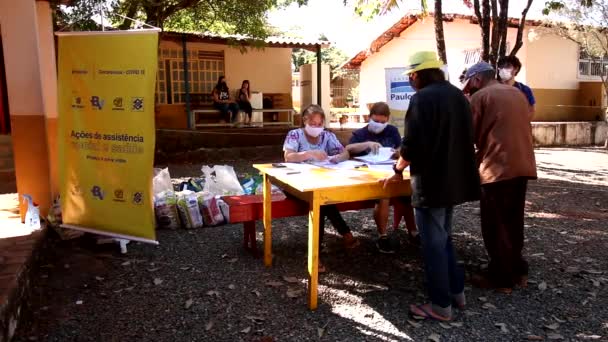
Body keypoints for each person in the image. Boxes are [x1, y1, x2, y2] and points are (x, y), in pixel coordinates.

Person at [383, 51, 480, 321]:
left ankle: (440, 306)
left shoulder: (421, 98)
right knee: (445, 238)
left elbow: (411, 144)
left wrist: (397, 170)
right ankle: (457, 293)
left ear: (418, 74)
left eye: (411, 75)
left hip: (432, 183)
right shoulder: (458, 96)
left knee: (433, 244)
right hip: (456, 180)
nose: (411, 80)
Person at [462, 61, 537, 294]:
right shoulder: (517, 93)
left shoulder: (481, 96)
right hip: (522, 164)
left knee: (495, 224)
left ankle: (501, 278)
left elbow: (468, 135)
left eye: (468, 85)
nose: (468, 90)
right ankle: (518, 269)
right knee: (514, 220)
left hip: (496, 168)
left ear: (475, 79)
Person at [283, 104, 359, 271]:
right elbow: (288, 157)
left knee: (322, 199)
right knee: (321, 203)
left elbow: (344, 152)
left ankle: (318, 252)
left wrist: (337, 158)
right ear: (304, 121)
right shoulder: (294, 135)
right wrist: (308, 154)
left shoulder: (327, 136)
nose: (316, 127)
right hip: (295, 184)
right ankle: (333, 242)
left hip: (321, 182)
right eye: (313, 123)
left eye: (319, 124)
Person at [346, 102, 418, 254]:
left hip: (391, 169)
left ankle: (414, 232)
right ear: (369, 117)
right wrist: (367, 144)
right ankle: (383, 236)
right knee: (384, 194)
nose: (379, 125)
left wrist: (397, 152)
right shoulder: (360, 133)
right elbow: (348, 148)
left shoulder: (391, 131)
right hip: (369, 173)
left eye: (382, 122)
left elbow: (400, 148)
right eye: (376, 121)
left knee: (408, 194)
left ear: (388, 120)